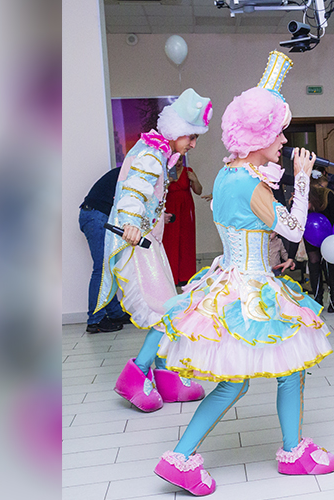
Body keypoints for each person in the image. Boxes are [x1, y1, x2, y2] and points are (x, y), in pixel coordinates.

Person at [153, 51, 334, 496]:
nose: (284, 141)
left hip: (232, 281)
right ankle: (181, 457)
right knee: (239, 383)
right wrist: (302, 177)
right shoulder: (250, 185)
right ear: (259, 136)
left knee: (278, 373)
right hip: (251, 289)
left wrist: (272, 82)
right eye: (278, 133)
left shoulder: (229, 174)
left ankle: (288, 451)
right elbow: (294, 231)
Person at [101, 88, 211, 413]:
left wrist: (155, 216)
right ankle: (136, 377)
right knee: (166, 314)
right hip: (138, 246)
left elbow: (145, 193)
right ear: (176, 131)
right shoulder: (151, 154)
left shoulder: (157, 152)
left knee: (170, 310)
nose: (193, 144)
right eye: (191, 136)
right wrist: (132, 222)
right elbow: (134, 191)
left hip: (149, 243)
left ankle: (165, 377)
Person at [79, 167, 131, 333]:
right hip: (96, 216)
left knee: (109, 267)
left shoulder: (127, 171)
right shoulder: (132, 173)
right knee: (103, 268)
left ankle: (114, 313)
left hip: (96, 215)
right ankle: (95, 320)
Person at [285, 185, 334, 312]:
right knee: (313, 262)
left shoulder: (327, 197)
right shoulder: (300, 206)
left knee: (328, 264)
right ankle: (317, 300)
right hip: (310, 234)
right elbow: (295, 231)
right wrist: (290, 257)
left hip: (327, 234)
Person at [163, 160, 203, 285]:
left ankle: (186, 276)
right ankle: (171, 275)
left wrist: (194, 180)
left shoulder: (188, 171)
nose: (178, 163)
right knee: (170, 240)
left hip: (185, 210)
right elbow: (158, 193)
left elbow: (199, 191)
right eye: (176, 160)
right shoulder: (165, 172)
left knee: (186, 240)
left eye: (180, 159)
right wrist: (168, 182)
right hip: (170, 210)